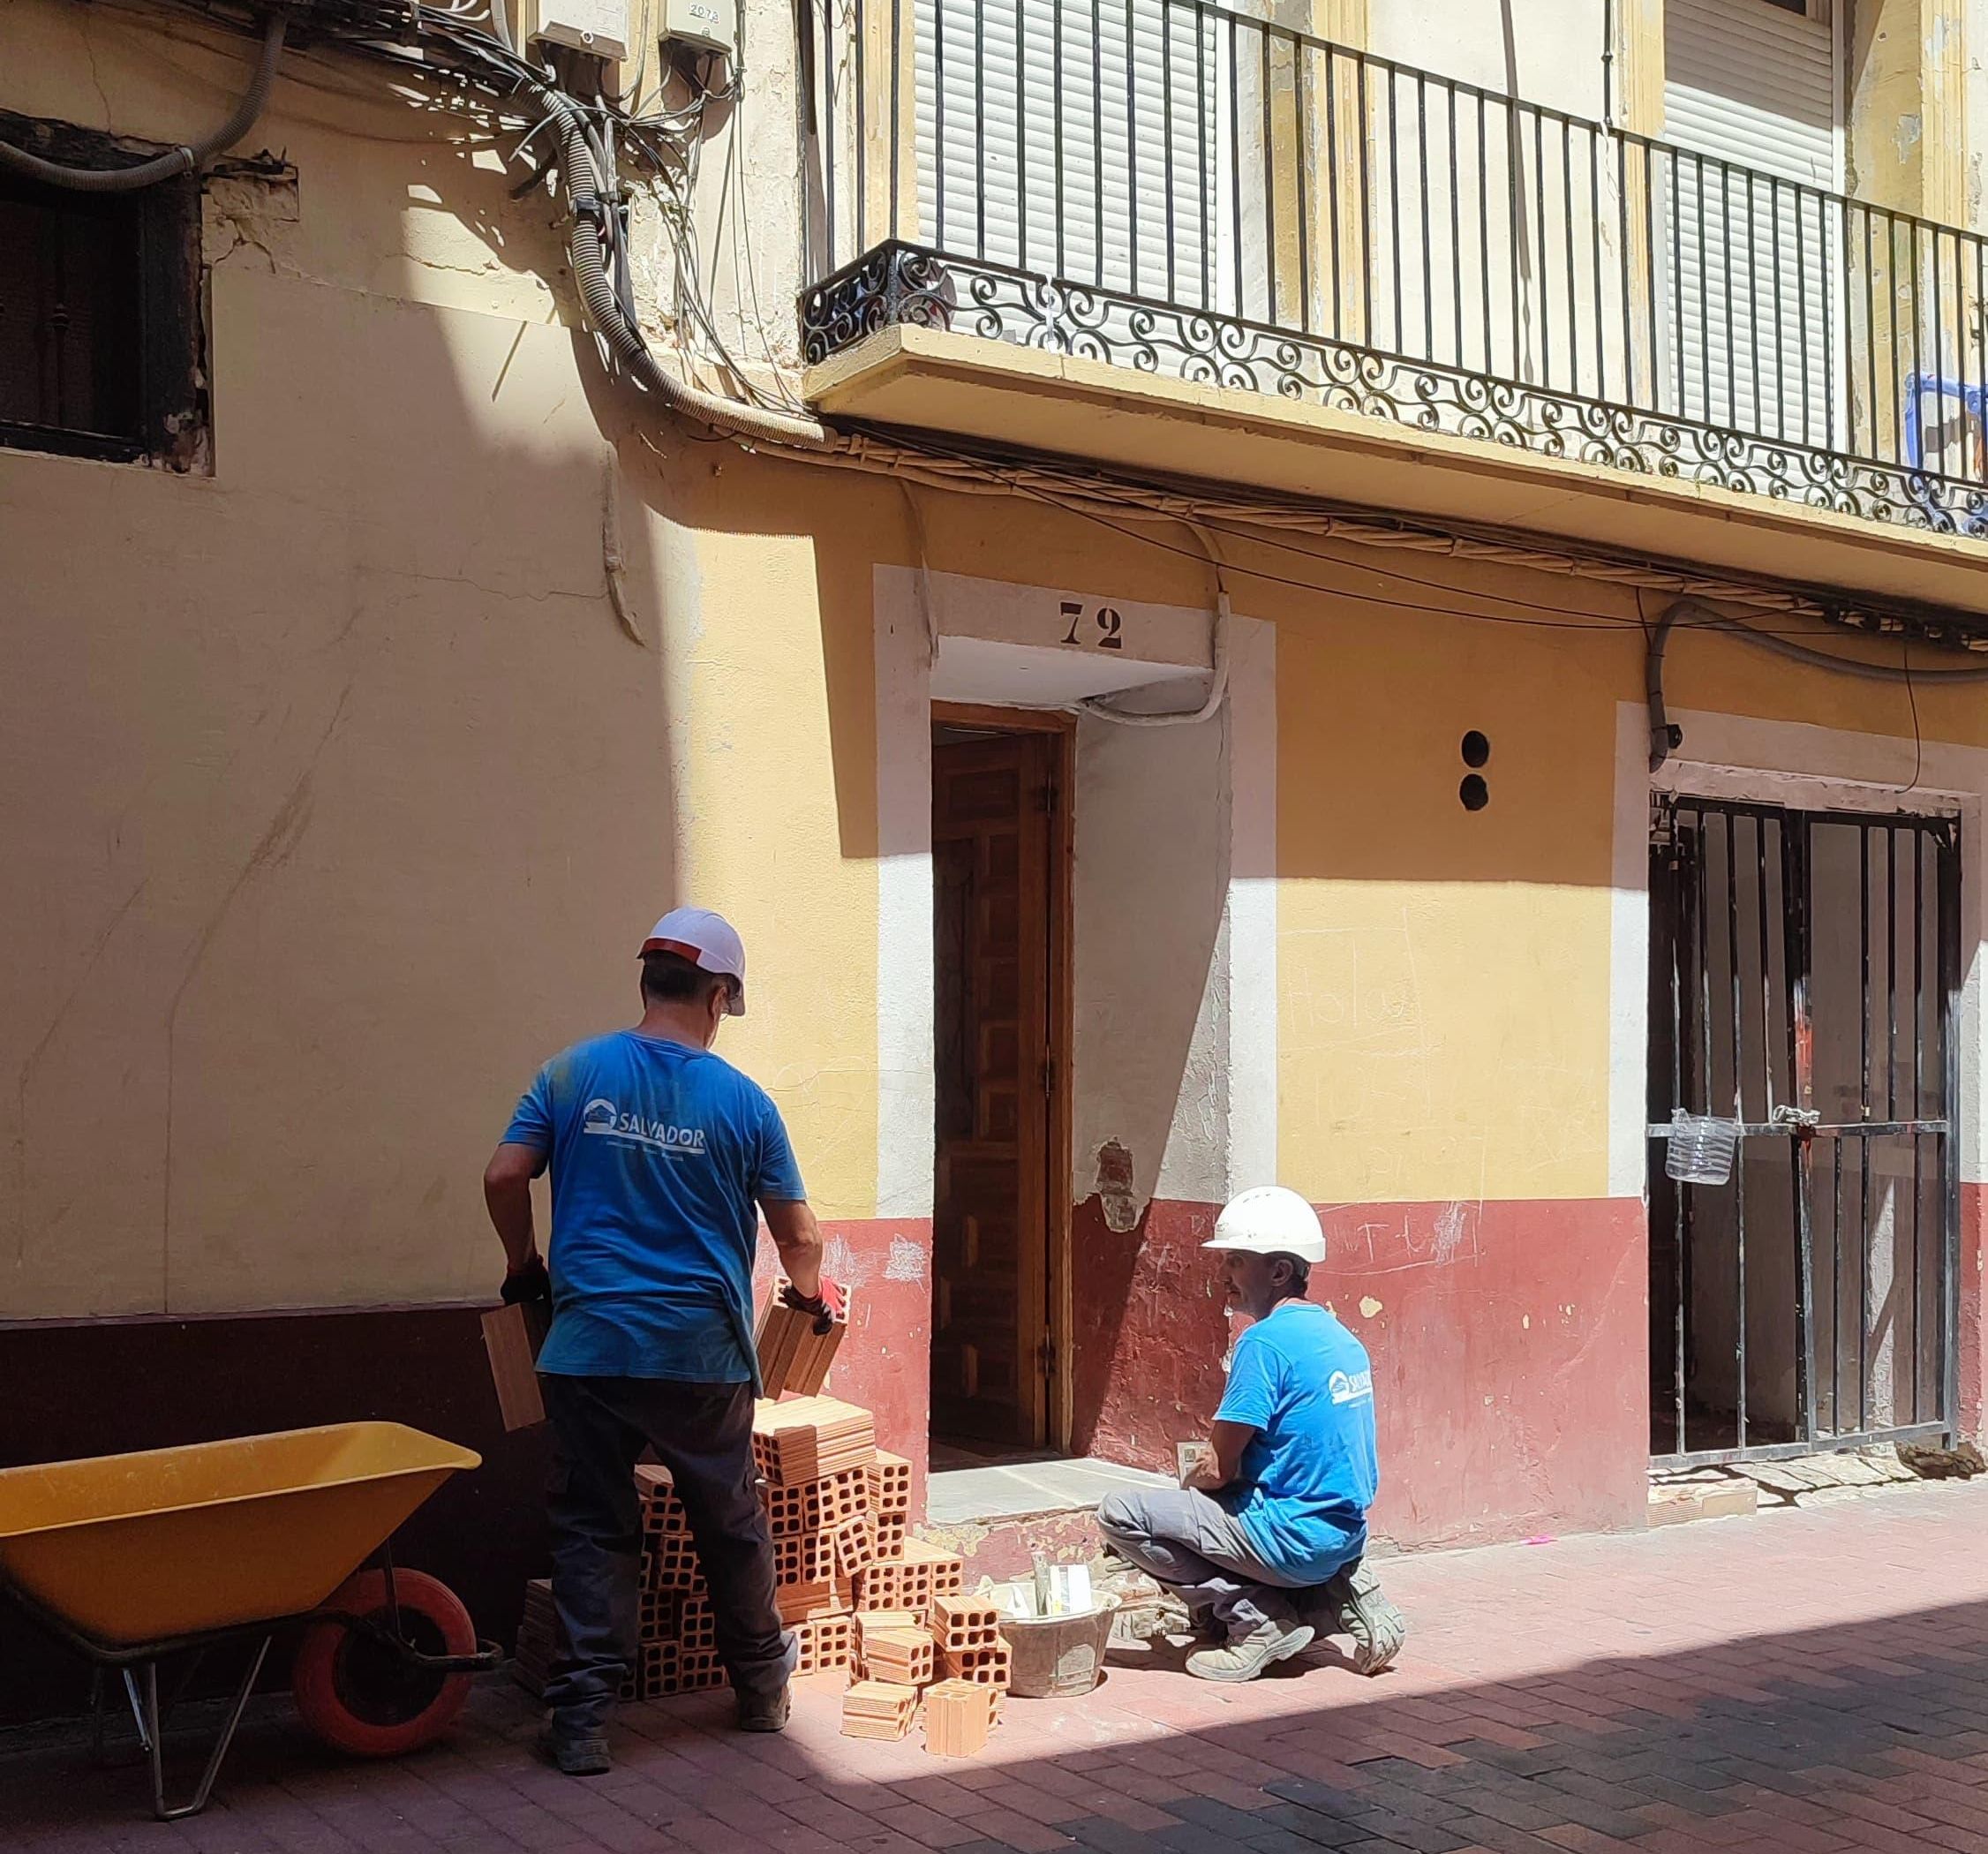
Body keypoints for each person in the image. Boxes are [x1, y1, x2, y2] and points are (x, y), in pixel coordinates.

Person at [483, 906, 831, 1775]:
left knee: (595, 1526)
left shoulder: (571, 1073)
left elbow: (502, 1174)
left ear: (646, 981)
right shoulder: (742, 1102)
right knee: (729, 1523)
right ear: (718, 995)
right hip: (701, 1355)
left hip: (588, 1347)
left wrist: (524, 1263)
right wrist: (805, 1300)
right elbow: (799, 1238)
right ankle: (759, 1691)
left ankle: (582, 1723)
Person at [1096, 1186, 1406, 1684]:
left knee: (1122, 1515)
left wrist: (1189, 1490)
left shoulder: (1262, 1342)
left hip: (1291, 1538)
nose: (1225, 1275)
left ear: (1279, 1271)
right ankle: (1329, 1595)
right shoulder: (1340, 1336)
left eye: (1237, 1262)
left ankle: (1258, 1620)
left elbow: (1217, 1469)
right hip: (1344, 1534)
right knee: (1213, 1515)